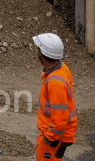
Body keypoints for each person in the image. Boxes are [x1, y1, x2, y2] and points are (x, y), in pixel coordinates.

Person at [32, 32, 76, 160]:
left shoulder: (54, 83)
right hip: (55, 133)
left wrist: (47, 139)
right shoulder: (61, 68)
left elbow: (59, 121)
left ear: (41, 52)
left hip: (54, 136)